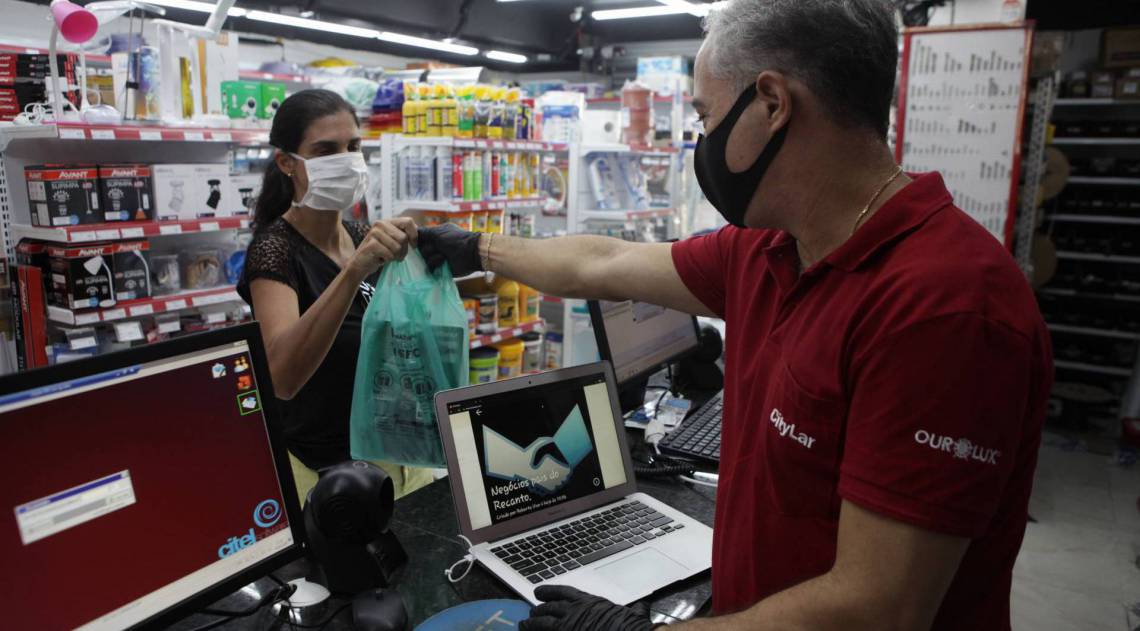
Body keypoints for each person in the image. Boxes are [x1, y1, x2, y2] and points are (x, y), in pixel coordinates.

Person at [418, 1, 1053, 629]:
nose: (701, 140)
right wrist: (478, 248)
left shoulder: (946, 307)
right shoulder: (770, 248)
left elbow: (879, 607)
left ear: (772, 103)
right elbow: (603, 263)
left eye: (705, 114)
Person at [237, 89, 433, 503]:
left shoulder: (362, 236)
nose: (346, 161)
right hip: (328, 478)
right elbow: (282, 378)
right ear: (287, 162)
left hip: (397, 458)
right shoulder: (275, 251)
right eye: (326, 150)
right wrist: (353, 272)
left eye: (353, 147)